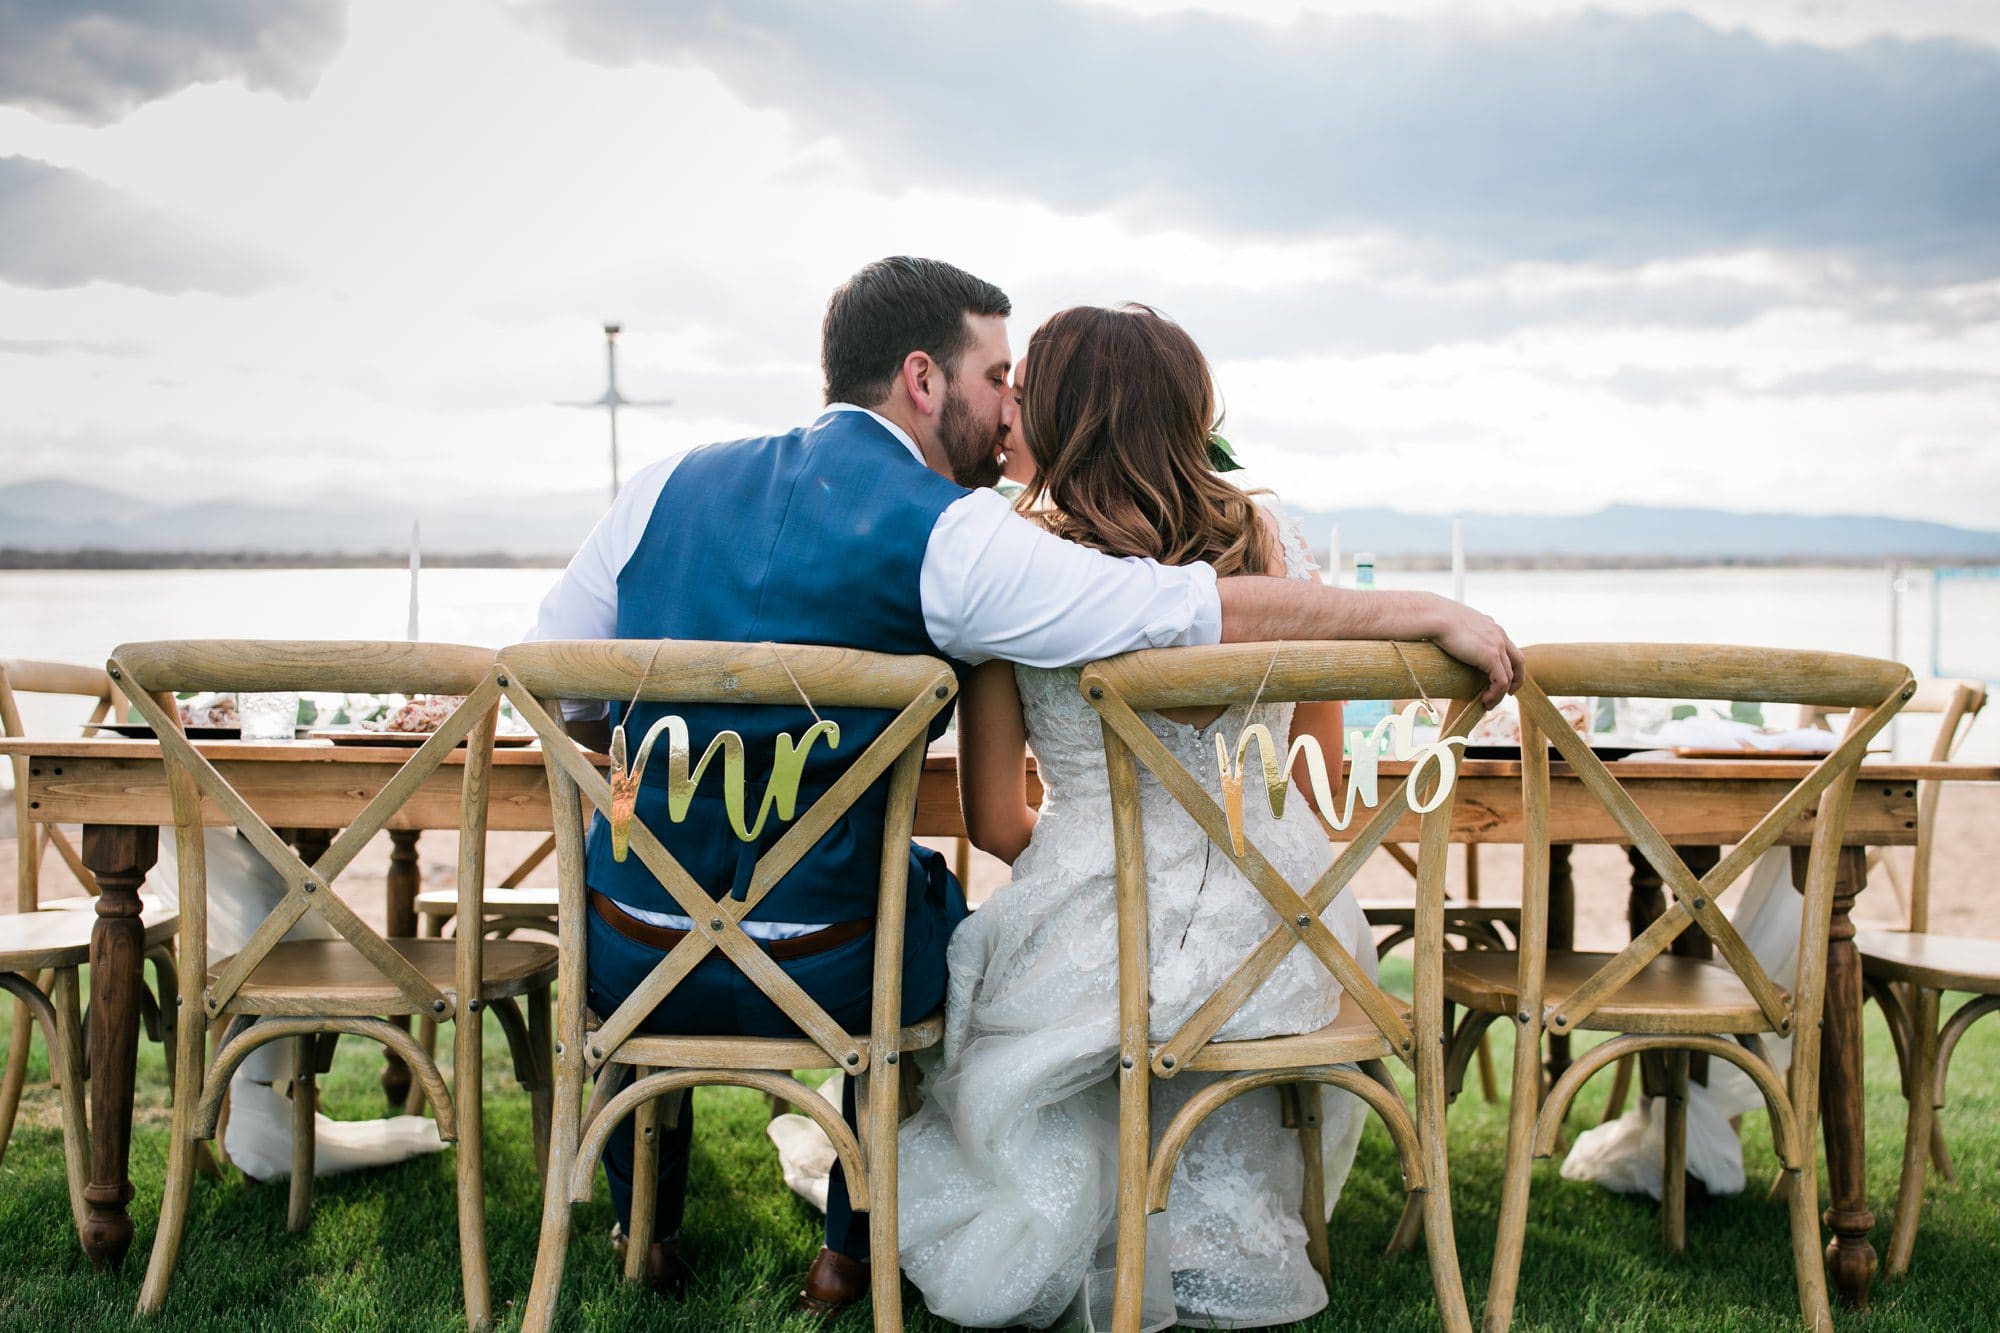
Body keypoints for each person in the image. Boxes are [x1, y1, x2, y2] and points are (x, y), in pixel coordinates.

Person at [528, 258, 1521, 1319]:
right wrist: (1420, 610)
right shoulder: (951, 538)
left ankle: (646, 1220)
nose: (1009, 409)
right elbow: (1188, 617)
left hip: (628, 946)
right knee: (912, 900)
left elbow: (553, 683)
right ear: (922, 378)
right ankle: (846, 1255)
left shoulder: (659, 486)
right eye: (996, 375)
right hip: (851, 967)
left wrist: (665, 793)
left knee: (898, 909)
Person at [893, 304, 1375, 1329]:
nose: (1008, 407)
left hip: (1096, 922)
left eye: (1024, 391)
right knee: (1194, 968)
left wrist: (1087, 852)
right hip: (1280, 931)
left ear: (1066, 412)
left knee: (1063, 977)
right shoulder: (1271, 546)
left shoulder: (1017, 575)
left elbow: (990, 818)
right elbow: (1317, 775)